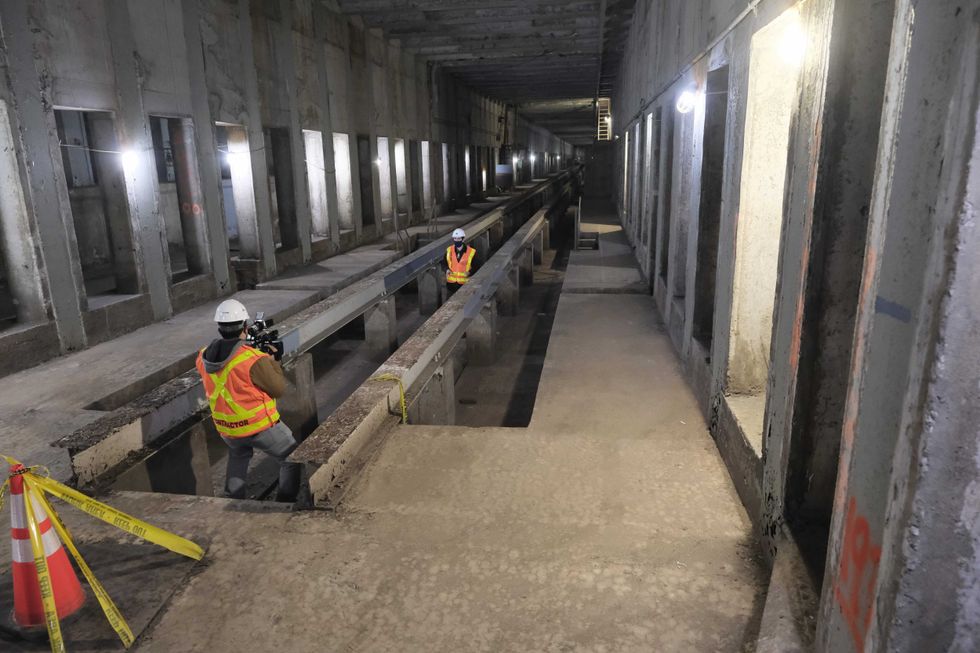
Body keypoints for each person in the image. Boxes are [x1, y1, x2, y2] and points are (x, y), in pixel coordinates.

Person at [195, 299, 300, 502]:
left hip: (228, 429)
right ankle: (284, 504)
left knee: (239, 457)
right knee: (291, 458)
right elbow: (278, 389)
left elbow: (228, 369)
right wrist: (273, 361)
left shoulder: (203, 356)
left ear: (219, 327)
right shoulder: (253, 359)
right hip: (259, 426)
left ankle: (233, 501)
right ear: (244, 326)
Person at [445, 227, 476, 292]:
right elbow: (444, 262)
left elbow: (476, 266)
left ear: (463, 239)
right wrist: (446, 269)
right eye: (455, 238)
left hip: (464, 285)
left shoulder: (471, 251)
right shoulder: (449, 250)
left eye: (458, 238)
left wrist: (470, 272)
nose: (456, 240)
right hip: (451, 285)